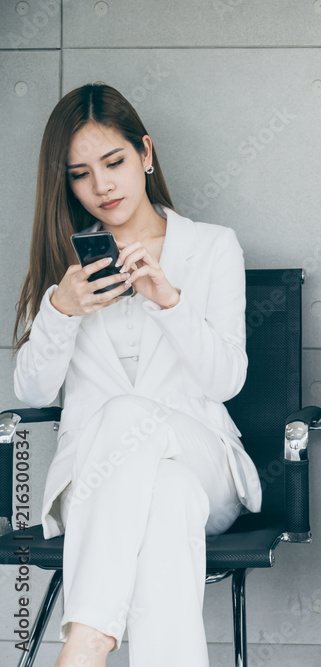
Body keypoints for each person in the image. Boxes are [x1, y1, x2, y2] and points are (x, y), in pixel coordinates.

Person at [12, 84, 262, 667]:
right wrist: (61, 309)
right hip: (95, 483)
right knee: (164, 500)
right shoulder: (61, 263)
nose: (102, 186)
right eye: (80, 174)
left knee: (143, 435)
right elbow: (30, 392)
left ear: (145, 154)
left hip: (205, 465)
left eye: (115, 162)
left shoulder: (211, 247)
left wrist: (170, 301)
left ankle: (86, 641)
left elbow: (227, 379)